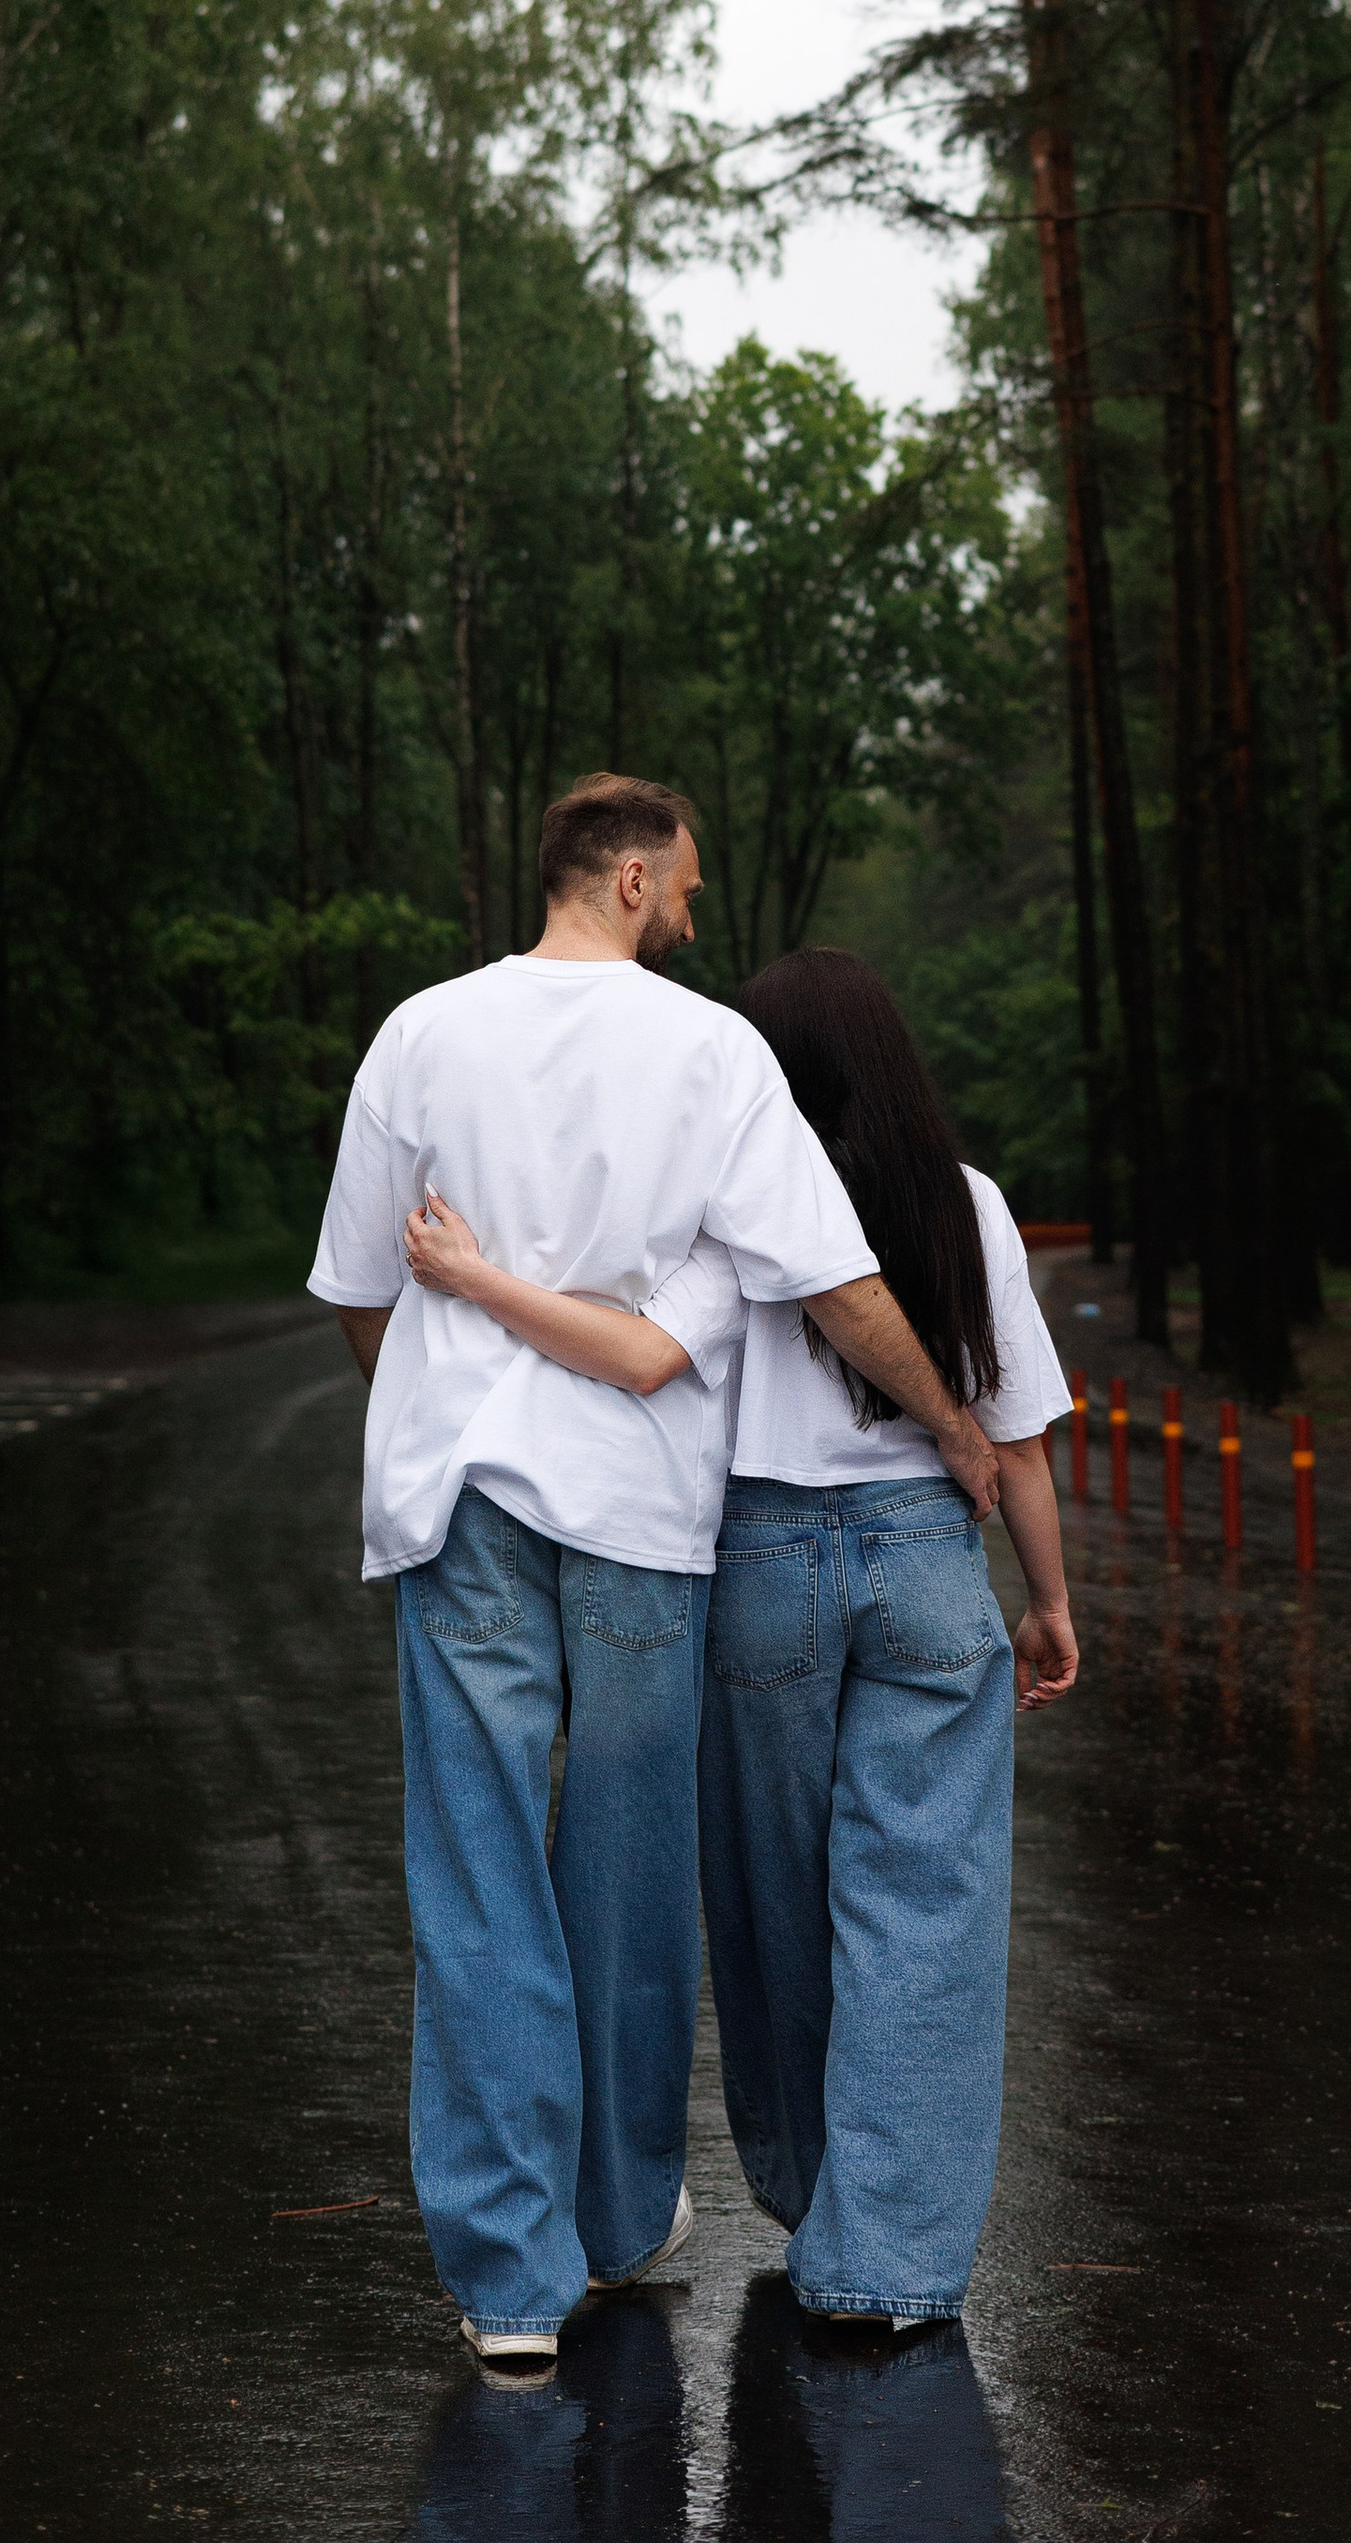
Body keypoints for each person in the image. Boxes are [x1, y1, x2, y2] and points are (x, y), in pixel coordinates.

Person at [305, 776, 1001, 2385]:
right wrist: (955, 1428)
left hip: (461, 1499)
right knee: (624, 1876)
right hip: (636, 1512)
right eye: (683, 887)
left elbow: (359, 1296)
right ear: (627, 878)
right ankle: (617, 2222)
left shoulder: (419, 1034)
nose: (693, 915)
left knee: (477, 1873)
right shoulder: (710, 1053)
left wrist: (441, 1405)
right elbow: (836, 1286)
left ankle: (510, 2284)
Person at [700, 944, 1079, 2331]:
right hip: (929, 1557)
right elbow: (1020, 1445)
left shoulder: (729, 1207)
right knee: (925, 1911)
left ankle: (813, 2197)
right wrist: (1044, 1605)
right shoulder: (966, 1206)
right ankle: (892, 2264)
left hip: (761, 1562)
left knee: (770, 1894)